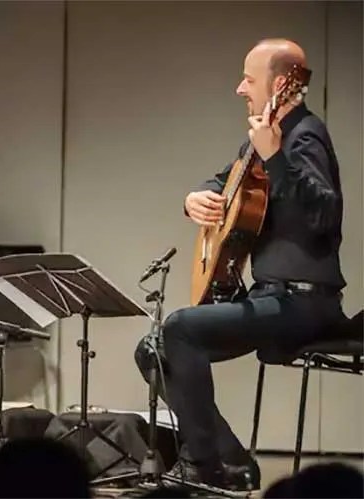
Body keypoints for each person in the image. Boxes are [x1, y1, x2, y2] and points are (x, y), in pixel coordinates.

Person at [134, 38, 348, 491]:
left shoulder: (304, 134)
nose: (239, 88)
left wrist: (274, 154)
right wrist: (194, 197)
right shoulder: (264, 136)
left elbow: (325, 215)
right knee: (153, 349)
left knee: (180, 328)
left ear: (281, 83)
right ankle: (231, 462)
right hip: (272, 299)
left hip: (305, 304)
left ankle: (201, 464)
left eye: (249, 79)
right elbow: (226, 178)